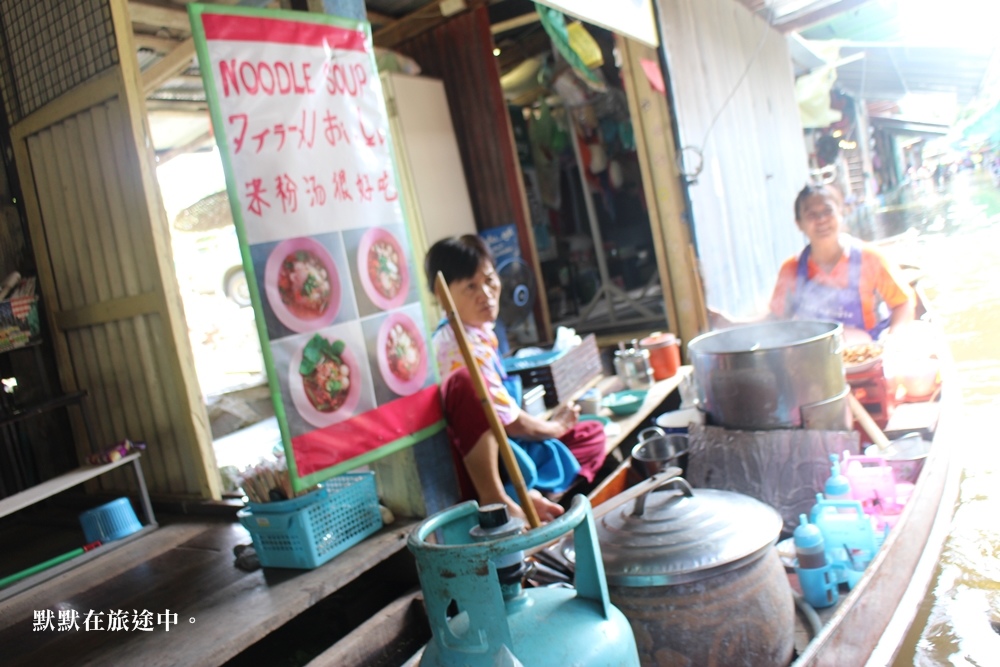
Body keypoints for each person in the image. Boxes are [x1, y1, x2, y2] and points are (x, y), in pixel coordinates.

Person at [425, 235, 607, 523]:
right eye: (470, 286)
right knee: (578, 438)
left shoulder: (477, 331)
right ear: (442, 294)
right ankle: (518, 496)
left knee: (592, 433)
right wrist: (554, 427)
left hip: (512, 445)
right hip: (491, 459)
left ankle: (536, 497)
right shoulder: (457, 345)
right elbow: (511, 423)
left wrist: (552, 428)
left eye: (488, 280)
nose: (485, 293)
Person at [711, 183, 916, 341]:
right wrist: (729, 323)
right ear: (799, 224)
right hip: (815, 364)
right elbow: (775, 320)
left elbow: (903, 302)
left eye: (828, 211)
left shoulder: (871, 259)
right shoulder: (791, 270)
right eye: (811, 215)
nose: (821, 220)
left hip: (865, 356)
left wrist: (895, 338)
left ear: (841, 213)